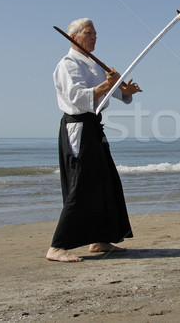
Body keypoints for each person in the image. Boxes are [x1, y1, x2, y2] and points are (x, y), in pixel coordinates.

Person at [46, 18, 142, 262]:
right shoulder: (67, 64)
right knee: (82, 182)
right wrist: (106, 84)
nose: (94, 37)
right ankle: (57, 246)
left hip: (94, 126)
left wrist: (124, 91)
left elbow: (111, 92)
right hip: (77, 126)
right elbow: (78, 98)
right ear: (74, 36)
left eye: (96, 33)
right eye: (89, 33)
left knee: (104, 180)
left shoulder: (93, 63)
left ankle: (99, 240)